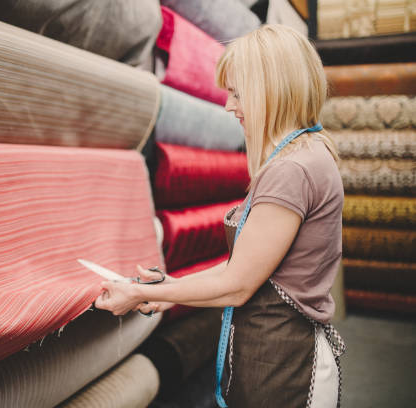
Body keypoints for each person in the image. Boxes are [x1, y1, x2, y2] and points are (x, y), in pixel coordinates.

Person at [94, 24, 345, 407]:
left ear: (270, 91)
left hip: (281, 369)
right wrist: (169, 289)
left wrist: (141, 292)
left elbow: (239, 284)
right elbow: (244, 267)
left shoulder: (291, 170)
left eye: (238, 93)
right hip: (277, 358)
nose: (228, 106)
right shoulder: (306, 153)